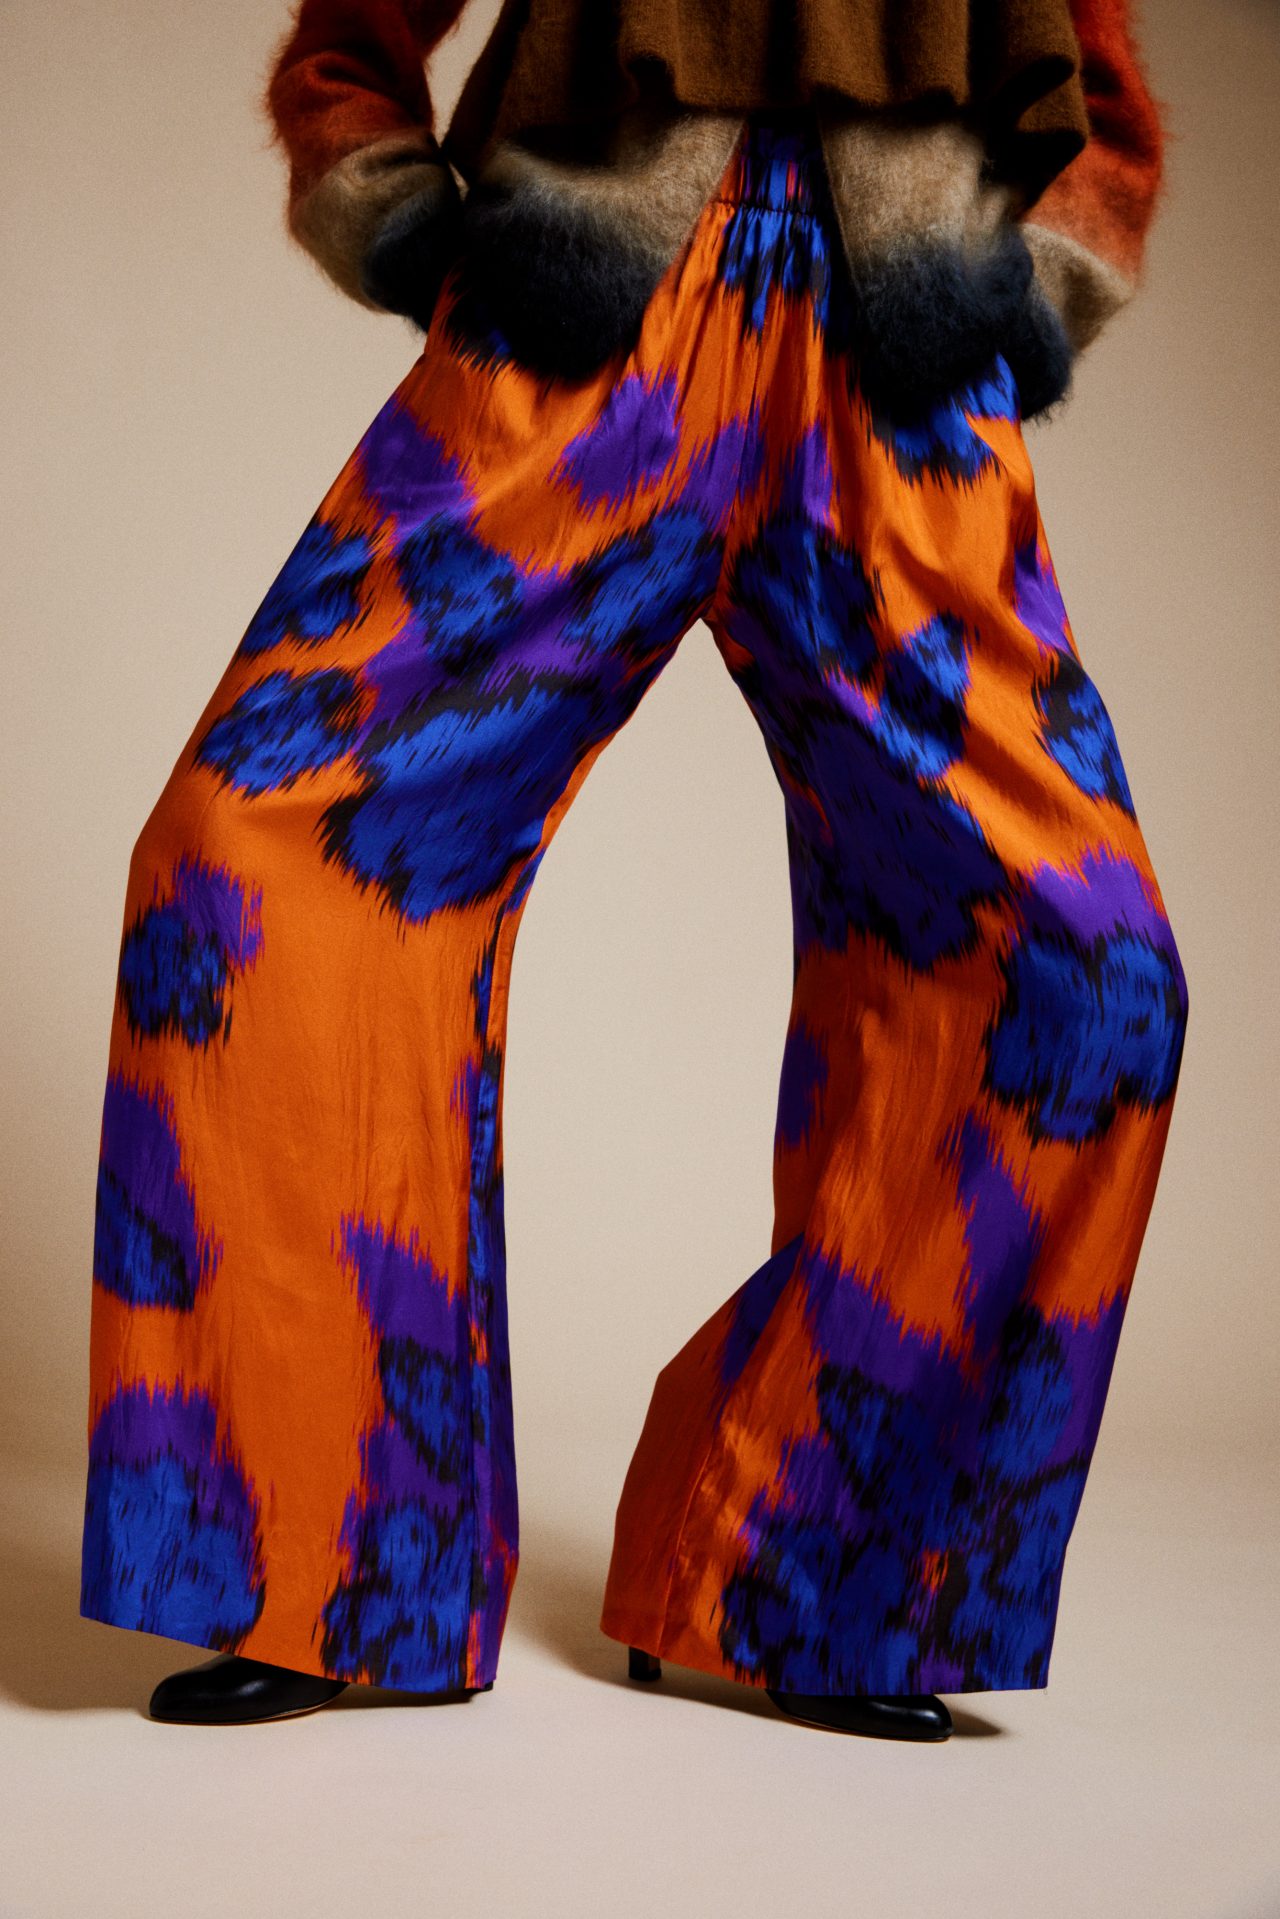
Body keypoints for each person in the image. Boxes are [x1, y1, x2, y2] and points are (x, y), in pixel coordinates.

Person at [78, 0, 1188, 1739]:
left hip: (898, 374)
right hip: (587, 324)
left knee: (1079, 970)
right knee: (255, 854)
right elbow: (349, 40)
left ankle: (801, 1580)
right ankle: (325, 1564)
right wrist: (411, 222)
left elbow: (1097, 94)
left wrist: (1027, 297)